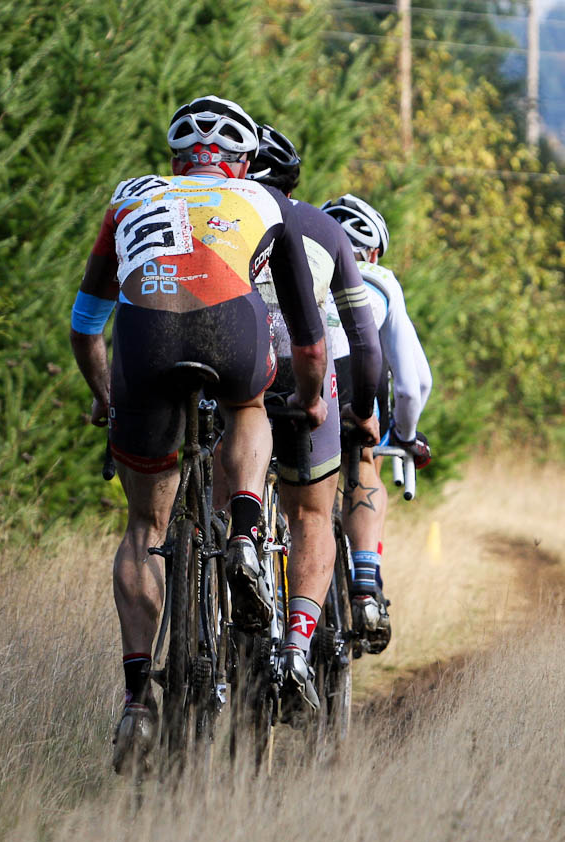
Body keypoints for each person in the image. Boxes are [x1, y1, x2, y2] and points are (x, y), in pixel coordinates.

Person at [68, 96, 328, 772]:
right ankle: (244, 533)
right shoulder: (263, 203)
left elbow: (84, 324)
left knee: (143, 529)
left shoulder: (130, 197)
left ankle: (134, 703)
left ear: (175, 159)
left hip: (143, 346)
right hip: (229, 331)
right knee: (250, 409)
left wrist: (105, 397)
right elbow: (308, 339)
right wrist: (310, 401)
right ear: (243, 162)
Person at [247, 125, 382, 719]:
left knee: (229, 502)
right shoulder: (323, 229)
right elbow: (366, 345)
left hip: (230, 381)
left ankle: (233, 560)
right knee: (308, 516)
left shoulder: (213, 217)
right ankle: (299, 647)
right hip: (305, 385)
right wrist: (363, 410)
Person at [321, 194, 432, 653]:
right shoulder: (381, 279)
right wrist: (403, 436)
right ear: (375, 252)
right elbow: (412, 383)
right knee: (363, 459)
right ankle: (365, 587)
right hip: (350, 387)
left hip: (288, 380)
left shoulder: (300, 263)